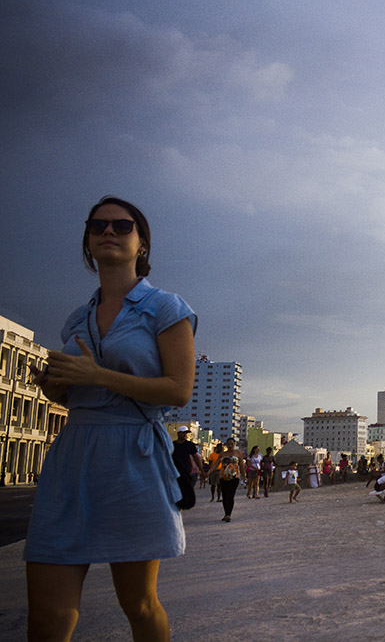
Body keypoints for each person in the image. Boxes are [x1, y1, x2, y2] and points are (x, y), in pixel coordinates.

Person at [23, 195, 197, 641]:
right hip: (73, 458)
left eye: (122, 226)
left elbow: (178, 391)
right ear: (87, 241)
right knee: (48, 616)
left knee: (138, 604)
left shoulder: (165, 308)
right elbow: (81, 393)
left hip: (133, 461)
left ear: (142, 245)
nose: (108, 232)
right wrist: (56, 386)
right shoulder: (76, 319)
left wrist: (96, 374)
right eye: (98, 226)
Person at [211, 437, 244, 521]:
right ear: (226, 445)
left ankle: (229, 514)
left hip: (234, 477)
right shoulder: (222, 454)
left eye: (232, 444)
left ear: (234, 444)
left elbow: (242, 465)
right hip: (223, 477)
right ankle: (226, 513)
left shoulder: (238, 453)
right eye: (228, 444)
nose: (230, 445)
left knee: (231, 496)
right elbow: (215, 465)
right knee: (225, 496)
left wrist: (244, 475)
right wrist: (208, 472)